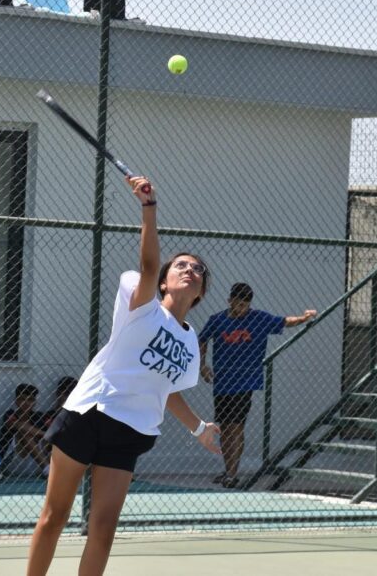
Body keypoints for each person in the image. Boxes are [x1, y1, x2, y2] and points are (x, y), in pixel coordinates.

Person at [27, 175, 221, 576]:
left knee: (104, 527)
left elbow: (167, 392)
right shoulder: (141, 300)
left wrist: (199, 428)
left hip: (131, 432)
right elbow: (149, 263)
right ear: (166, 280)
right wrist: (149, 208)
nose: (191, 270)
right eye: (182, 265)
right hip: (90, 413)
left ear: (200, 292)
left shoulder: (189, 342)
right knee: (55, 516)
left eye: (198, 270)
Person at [199, 282, 317, 487]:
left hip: (244, 383)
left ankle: (232, 474)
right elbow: (201, 340)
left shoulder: (258, 319)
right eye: (238, 304)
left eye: (245, 305)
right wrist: (202, 366)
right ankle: (228, 470)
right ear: (229, 301)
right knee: (225, 427)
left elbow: (284, 322)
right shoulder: (217, 320)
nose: (241, 309)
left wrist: (304, 318)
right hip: (222, 383)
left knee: (236, 427)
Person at [0, 383, 50, 477]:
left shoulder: (39, 416)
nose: (26, 403)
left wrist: (46, 435)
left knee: (50, 440)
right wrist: (44, 434)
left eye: (30, 400)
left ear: (34, 402)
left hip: (35, 462)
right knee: (24, 433)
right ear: (16, 401)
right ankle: (48, 469)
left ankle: (50, 468)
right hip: (13, 463)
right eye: (23, 399)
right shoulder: (10, 414)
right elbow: (19, 425)